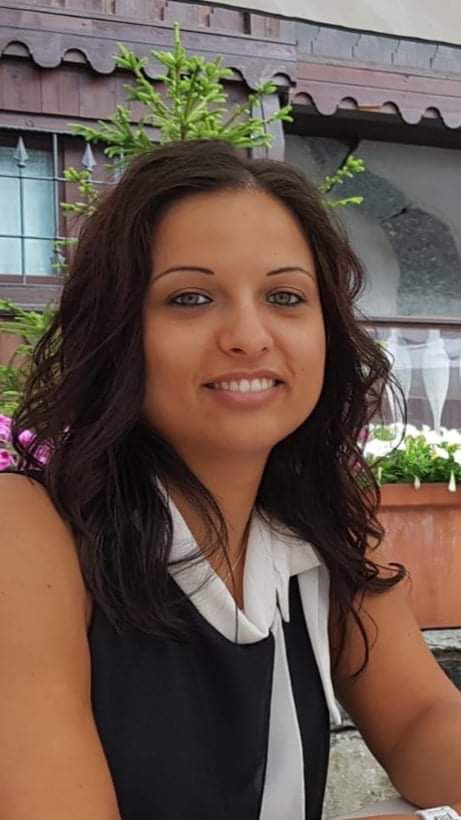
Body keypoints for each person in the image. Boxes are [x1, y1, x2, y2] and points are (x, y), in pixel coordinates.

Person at [0, 139, 460, 820]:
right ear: (118, 329)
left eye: (284, 296)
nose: (248, 335)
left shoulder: (318, 526)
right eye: (190, 298)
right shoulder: (31, 528)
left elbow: (421, 718)